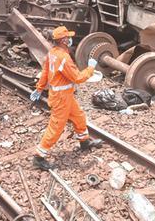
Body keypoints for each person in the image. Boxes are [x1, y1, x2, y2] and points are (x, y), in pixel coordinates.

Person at [30, 26, 103, 170]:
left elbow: (45, 72)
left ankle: (84, 142)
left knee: (79, 117)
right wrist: (90, 68)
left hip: (65, 95)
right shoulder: (63, 58)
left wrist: (39, 88)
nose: (70, 39)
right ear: (63, 40)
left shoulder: (53, 53)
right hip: (61, 98)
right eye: (68, 37)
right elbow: (77, 77)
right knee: (56, 127)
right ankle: (39, 157)